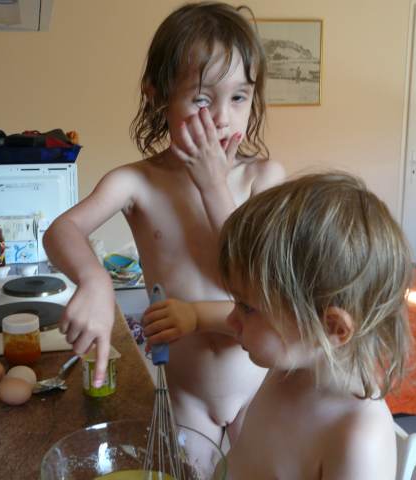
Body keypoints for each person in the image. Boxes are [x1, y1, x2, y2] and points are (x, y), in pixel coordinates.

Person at [43, 1, 285, 446]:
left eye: (239, 97)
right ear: (157, 96)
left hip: (260, 390)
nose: (222, 117)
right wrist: (94, 280)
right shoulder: (137, 182)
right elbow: (62, 230)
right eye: (202, 98)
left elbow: (260, 278)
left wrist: (213, 185)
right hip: (184, 395)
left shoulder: (263, 178)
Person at [219, 172, 414, 479]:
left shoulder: (358, 439)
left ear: (332, 328)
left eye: (247, 308)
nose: (230, 320)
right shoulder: (289, 368)